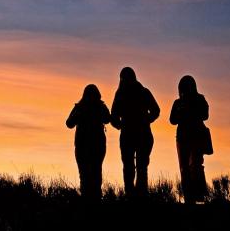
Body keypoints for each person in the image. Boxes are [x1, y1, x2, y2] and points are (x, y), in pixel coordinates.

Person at [111, 67, 160, 198]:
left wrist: (120, 125)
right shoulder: (143, 92)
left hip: (131, 134)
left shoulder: (121, 94)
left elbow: (113, 116)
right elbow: (156, 111)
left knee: (132, 166)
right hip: (140, 134)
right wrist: (146, 120)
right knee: (139, 166)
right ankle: (138, 195)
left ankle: (132, 195)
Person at [66, 84, 111, 201]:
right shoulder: (94, 106)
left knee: (86, 174)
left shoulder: (81, 106)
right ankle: (94, 200)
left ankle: (88, 200)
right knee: (95, 173)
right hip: (93, 146)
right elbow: (69, 123)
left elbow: (69, 123)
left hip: (86, 146)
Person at [170, 75, 209, 204]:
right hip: (182, 139)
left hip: (195, 137)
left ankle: (199, 196)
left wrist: (190, 110)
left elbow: (205, 115)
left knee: (195, 166)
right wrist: (182, 111)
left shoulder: (199, 99)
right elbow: (172, 120)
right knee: (185, 168)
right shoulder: (178, 102)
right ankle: (189, 199)